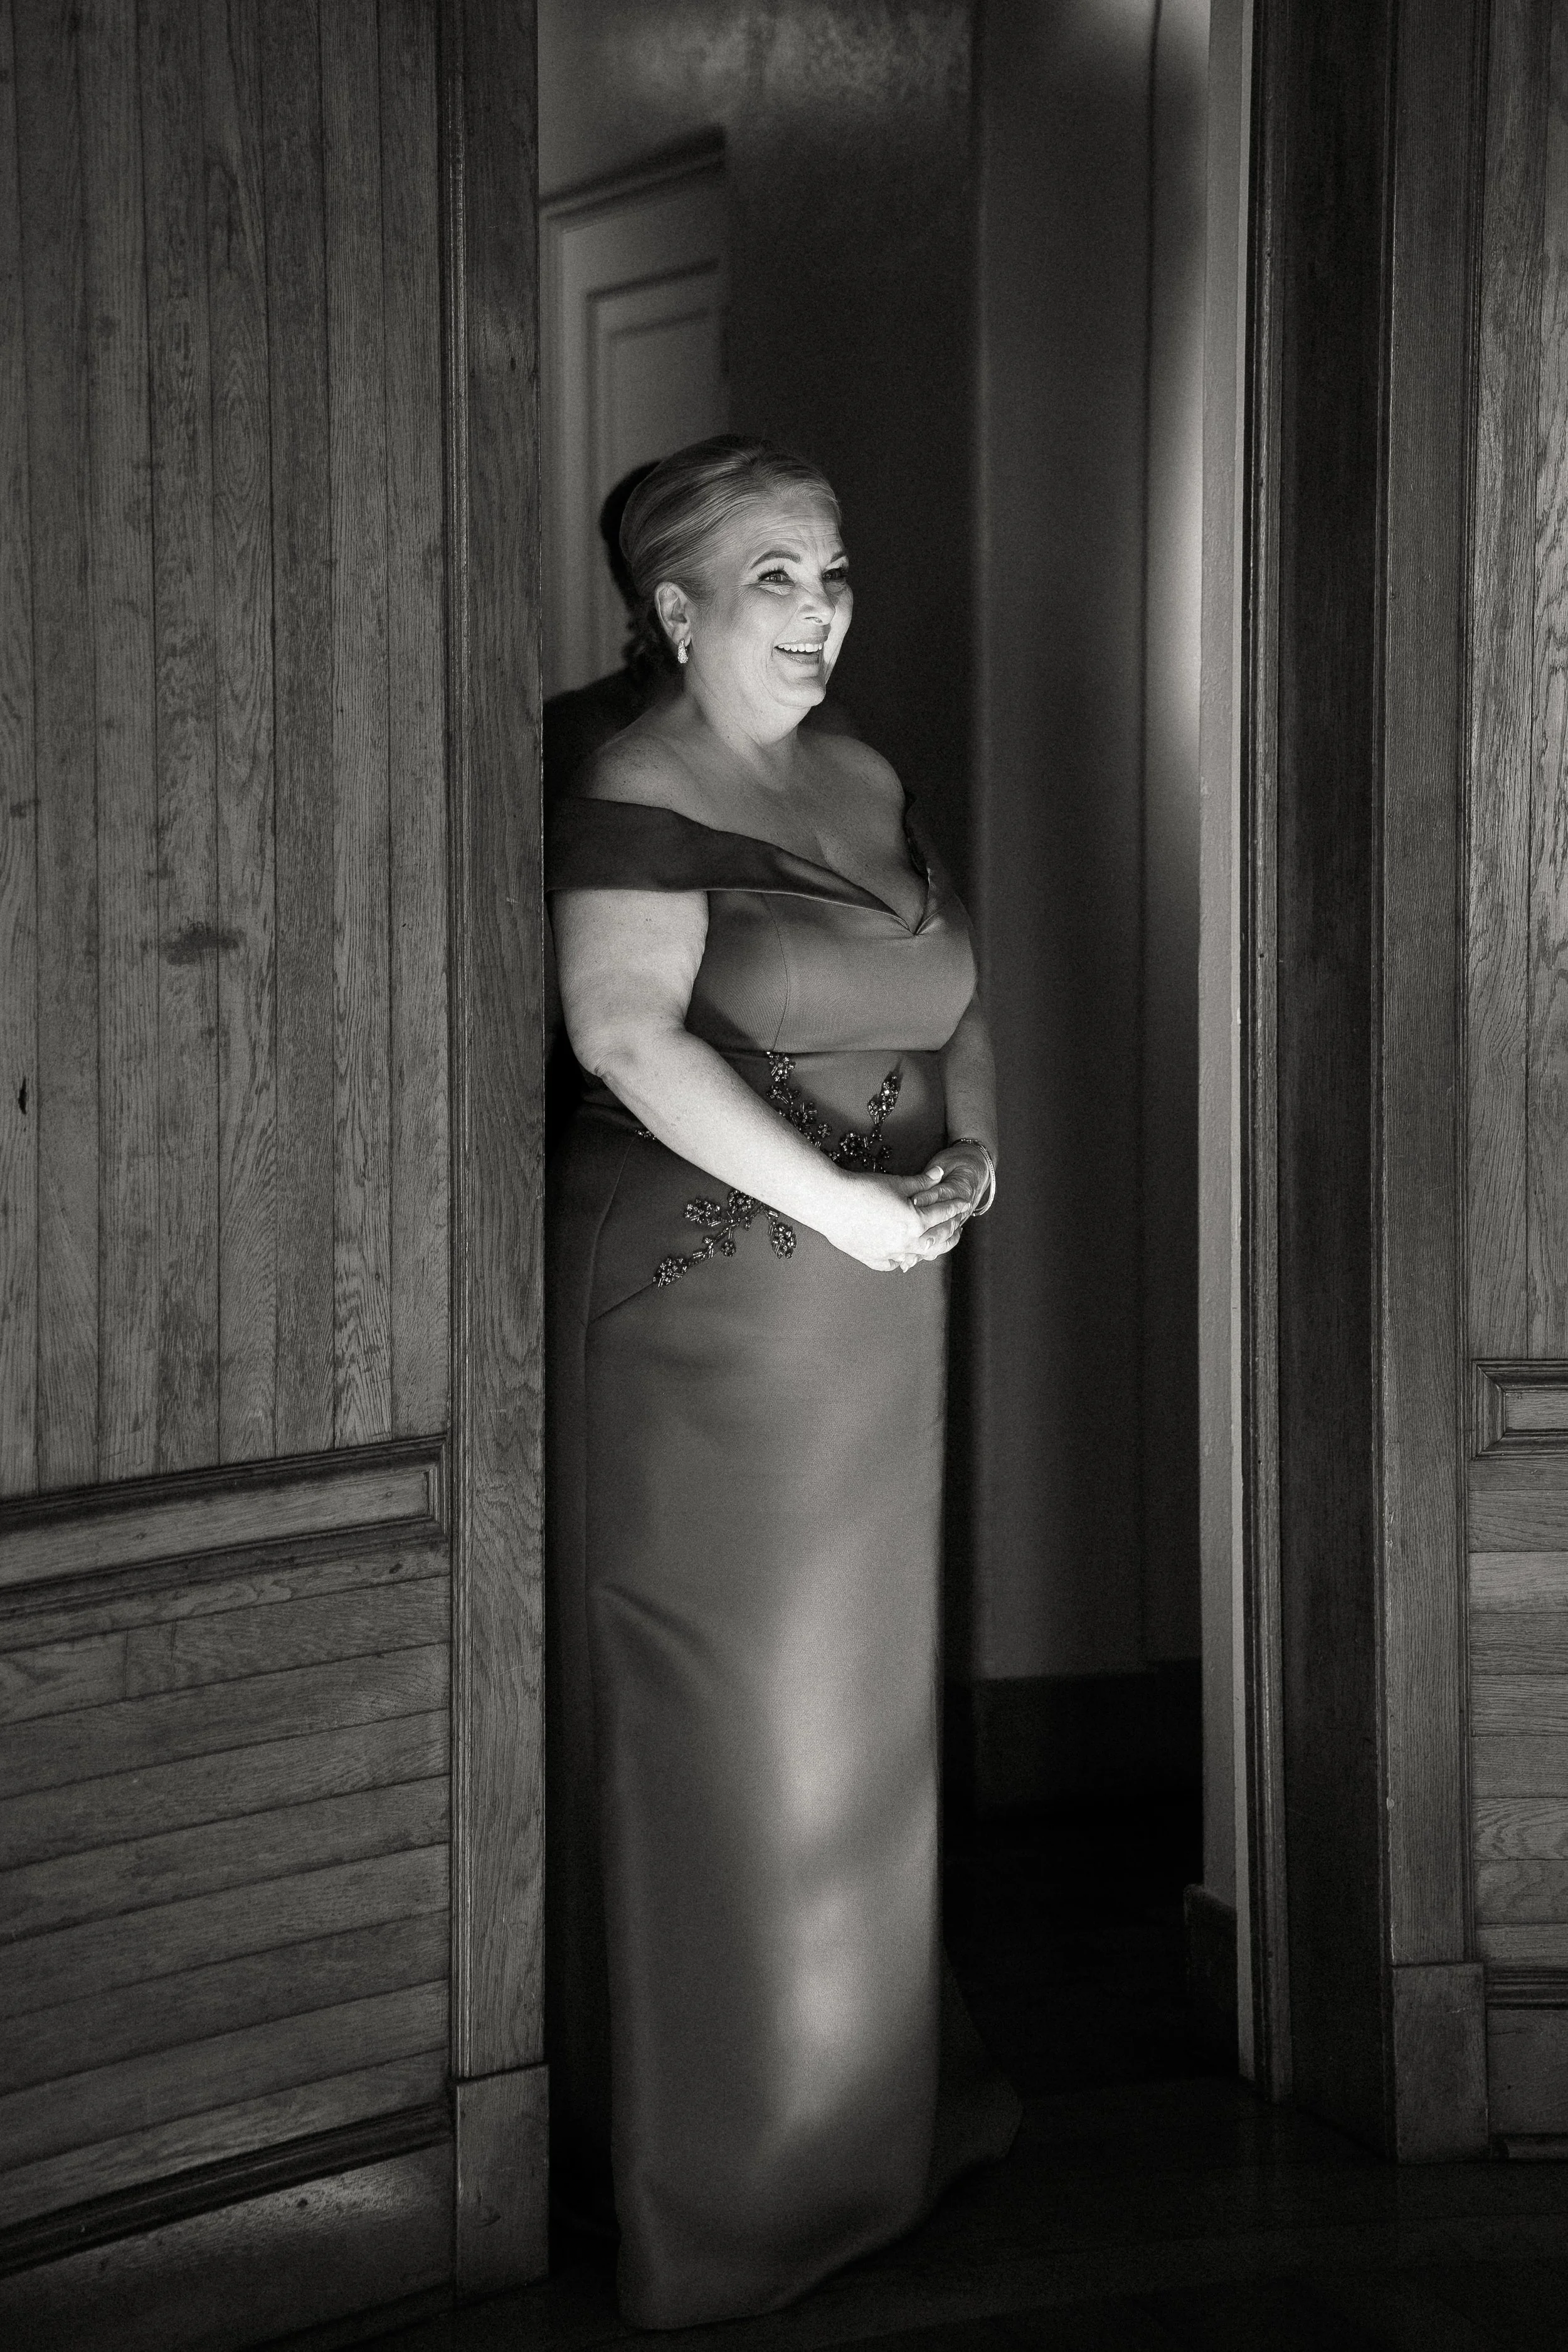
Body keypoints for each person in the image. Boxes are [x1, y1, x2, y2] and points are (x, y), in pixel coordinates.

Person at [546, 434, 1020, 2331]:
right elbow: (621, 1035)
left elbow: (957, 990)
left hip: (877, 1303)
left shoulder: (868, 774)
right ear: (673, 610)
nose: (819, 611)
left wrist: (971, 1153)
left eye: (829, 573)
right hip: (707, 1306)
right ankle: (717, 2179)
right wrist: (842, 1199)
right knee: (724, 1725)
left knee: (850, 1718)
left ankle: (863, 2122)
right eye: (771, 580)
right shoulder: (634, 780)